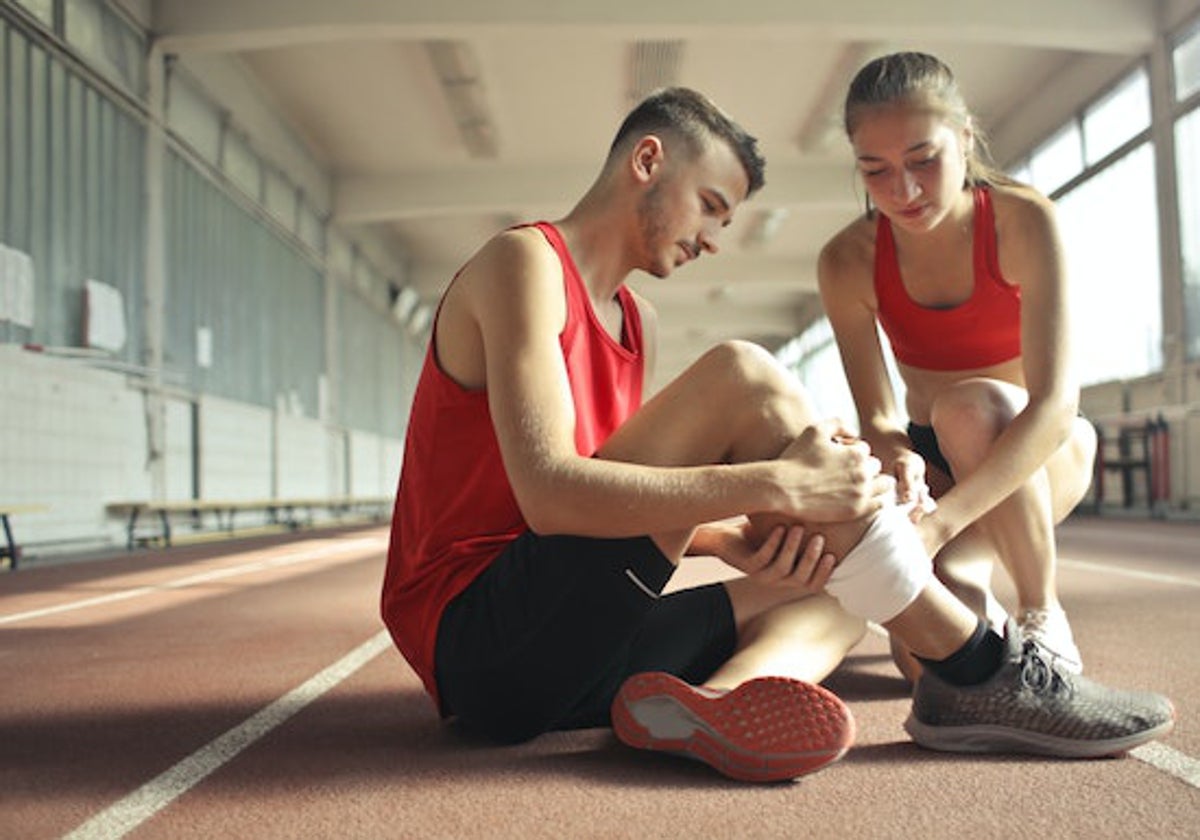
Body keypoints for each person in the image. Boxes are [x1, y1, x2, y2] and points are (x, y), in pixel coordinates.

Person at [381, 87, 1173, 784]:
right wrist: (775, 486)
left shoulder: (638, 322)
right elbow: (552, 498)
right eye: (712, 207)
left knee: (835, 581)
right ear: (648, 161)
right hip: (482, 645)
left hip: (564, 660)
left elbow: (609, 510)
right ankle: (978, 667)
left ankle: (716, 705)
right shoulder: (524, 263)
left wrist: (733, 539)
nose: (715, 240)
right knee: (742, 375)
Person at [818, 52, 1097, 679]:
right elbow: (880, 416)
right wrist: (897, 457)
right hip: (938, 465)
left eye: (923, 160)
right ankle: (974, 581)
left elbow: (1055, 407)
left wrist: (941, 525)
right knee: (927, 666)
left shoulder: (1026, 222)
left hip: (1039, 449)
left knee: (970, 407)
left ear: (965, 139)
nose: (904, 191)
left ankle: (1040, 611)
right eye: (875, 170)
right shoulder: (847, 260)